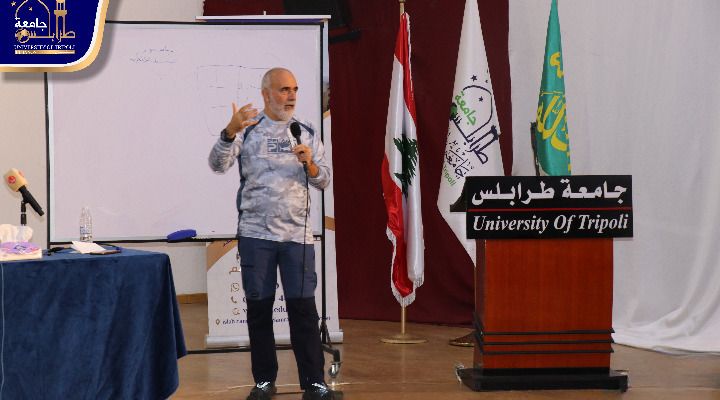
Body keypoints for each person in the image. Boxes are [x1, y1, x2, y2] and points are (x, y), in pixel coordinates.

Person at [208, 68, 334, 400]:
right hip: (256, 237)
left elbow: (324, 179)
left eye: (295, 89)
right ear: (266, 94)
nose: (291, 96)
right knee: (260, 309)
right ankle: (264, 381)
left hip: (297, 239)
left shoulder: (305, 131)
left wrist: (311, 165)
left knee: (303, 311)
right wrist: (228, 132)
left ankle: (314, 382)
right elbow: (217, 165)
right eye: (283, 90)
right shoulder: (247, 130)